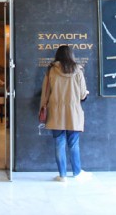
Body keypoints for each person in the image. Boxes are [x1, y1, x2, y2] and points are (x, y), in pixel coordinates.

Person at [39, 45, 89, 182]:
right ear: (71, 55)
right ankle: (77, 172)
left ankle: (62, 175)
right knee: (73, 144)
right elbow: (83, 94)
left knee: (59, 143)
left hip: (55, 112)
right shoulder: (78, 70)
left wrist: (42, 107)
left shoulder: (51, 70)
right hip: (73, 112)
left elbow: (45, 93)